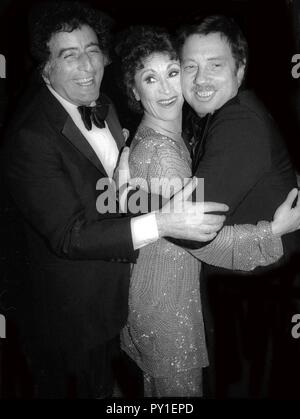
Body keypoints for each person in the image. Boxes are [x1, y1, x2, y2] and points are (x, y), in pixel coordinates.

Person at [1, 3, 229, 399]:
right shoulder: (30, 137)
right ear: (46, 68)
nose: (86, 65)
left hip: (118, 304)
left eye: (91, 50)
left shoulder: (101, 105)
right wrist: (162, 222)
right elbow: (69, 236)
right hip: (70, 319)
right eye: (69, 55)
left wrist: (126, 178)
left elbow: (104, 194)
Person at [116, 26, 300, 397]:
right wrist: (273, 233)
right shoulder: (166, 155)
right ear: (135, 92)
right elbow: (196, 235)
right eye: (151, 79)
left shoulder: (159, 137)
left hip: (155, 295)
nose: (169, 88)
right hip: (171, 308)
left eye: (172, 72)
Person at [177, 15, 300, 397]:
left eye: (215, 65)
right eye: (189, 67)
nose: (200, 79)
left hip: (251, 299)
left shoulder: (239, 123)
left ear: (240, 70)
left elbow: (189, 227)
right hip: (252, 288)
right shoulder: (231, 114)